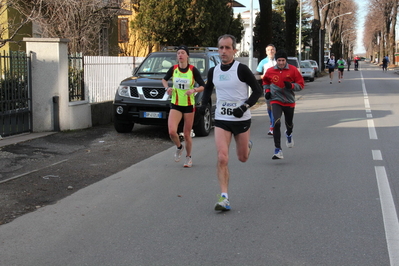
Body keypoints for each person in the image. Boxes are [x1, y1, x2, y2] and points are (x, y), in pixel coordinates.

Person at [199, 34, 262, 211]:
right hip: (221, 119)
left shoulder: (241, 69)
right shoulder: (214, 71)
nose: (224, 51)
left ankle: (247, 145)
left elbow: (258, 91)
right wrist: (204, 106)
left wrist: (244, 107)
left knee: (242, 158)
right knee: (222, 157)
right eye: (221, 48)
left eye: (227, 48)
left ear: (234, 50)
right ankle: (224, 197)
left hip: (241, 119)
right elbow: (208, 88)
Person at [162, 45, 205, 168]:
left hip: (188, 105)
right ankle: (179, 147)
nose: (180, 55)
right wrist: (167, 88)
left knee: (187, 134)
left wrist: (194, 90)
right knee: (171, 131)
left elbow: (203, 86)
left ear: (187, 56)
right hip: (176, 104)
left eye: (182, 53)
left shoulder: (192, 70)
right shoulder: (173, 69)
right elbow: (164, 80)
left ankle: (188, 157)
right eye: (178, 53)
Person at [262, 50, 304, 160]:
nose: (281, 63)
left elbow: (301, 85)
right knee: (276, 122)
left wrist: (291, 86)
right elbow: (265, 82)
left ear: (286, 60)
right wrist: (267, 92)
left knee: (289, 123)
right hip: (276, 100)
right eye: (279, 60)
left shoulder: (293, 70)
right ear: (276, 61)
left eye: (283, 60)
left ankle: (289, 134)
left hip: (289, 101)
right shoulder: (270, 71)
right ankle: (278, 149)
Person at [256, 44, 277, 136]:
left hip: (278, 87)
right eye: (268, 50)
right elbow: (255, 75)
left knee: (275, 106)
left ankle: (273, 127)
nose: (271, 51)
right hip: (267, 86)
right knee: (269, 106)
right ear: (266, 52)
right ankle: (272, 122)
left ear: (275, 51)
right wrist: (262, 76)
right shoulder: (263, 62)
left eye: (272, 50)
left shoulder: (279, 61)